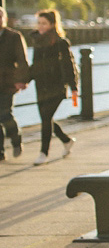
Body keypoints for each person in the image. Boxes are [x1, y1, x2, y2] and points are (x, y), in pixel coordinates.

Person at [29, 10, 77, 165]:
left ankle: (44, 153)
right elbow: (35, 66)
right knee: (46, 118)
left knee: (46, 117)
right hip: (41, 86)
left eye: (44, 23)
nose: (40, 26)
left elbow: (69, 65)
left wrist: (73, 87)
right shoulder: (37, 41)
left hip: (56, 86)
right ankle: (66, 140)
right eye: (39, 23)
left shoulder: (60, 42)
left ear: (52, 24)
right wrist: (23, 81)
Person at [0, 8, 30, 161]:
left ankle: (16, 139)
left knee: (5, 114)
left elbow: (22, 60)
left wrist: (22, 79)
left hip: (7, 82)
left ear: (4, 19)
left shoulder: (14, 36)